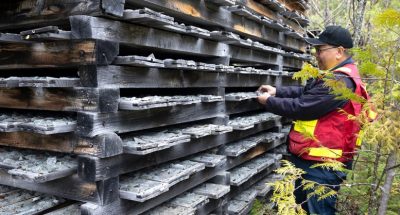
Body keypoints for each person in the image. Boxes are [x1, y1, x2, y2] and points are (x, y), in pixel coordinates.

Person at [257, 26, 372, 214]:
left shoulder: (341, 81)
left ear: (339, 51)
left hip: (321, 166)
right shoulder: (339, 75)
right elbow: (308, 93)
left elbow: (303, 107)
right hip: (315, 161)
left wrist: (269, 101)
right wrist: (277, 92)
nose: (316, 55)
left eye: (320, 50)